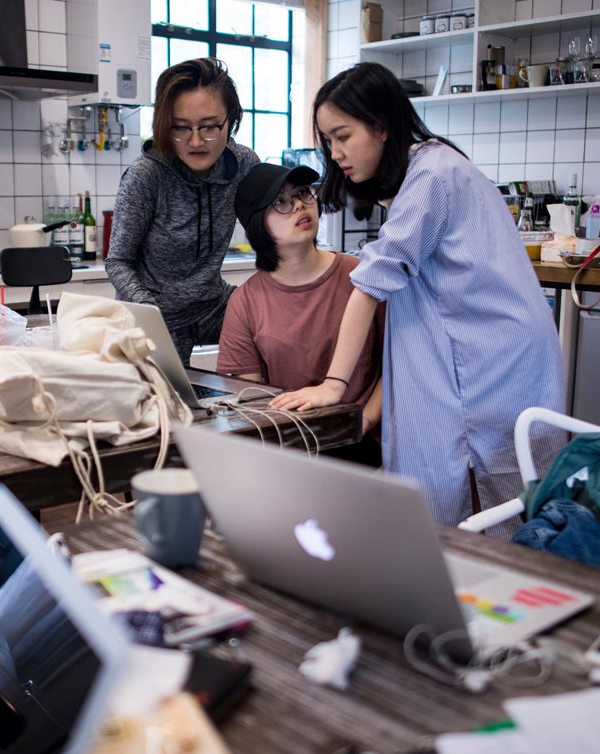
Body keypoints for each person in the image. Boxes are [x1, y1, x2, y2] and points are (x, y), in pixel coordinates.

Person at [271, 63, 564, 532]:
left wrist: (333, 385)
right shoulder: (428, 167)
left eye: (343, 136)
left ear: (381, 126)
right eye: (328, 140)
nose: (336, 152)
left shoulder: (432, 175)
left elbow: (369, 285)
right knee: (480, 494)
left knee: (504, 502)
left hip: (492, 358)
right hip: (487, 349)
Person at [219, 163, 384, 466]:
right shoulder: (245, 301)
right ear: (258, 224)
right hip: (295, 445)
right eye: (281, 202)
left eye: (303, 193)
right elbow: (250, 399)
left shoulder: (363, 276)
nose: (299, 205)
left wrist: (366, 420)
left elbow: (398, 363)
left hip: (367, 440)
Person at [106, 57, 260, 365]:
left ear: (231, 120)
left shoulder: (243, 164)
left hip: (212, 306)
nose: (195, 141)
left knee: (275, 321)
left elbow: (270, 234)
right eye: (180, 128)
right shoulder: (147, 175)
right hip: (153, 312)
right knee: (167, 393)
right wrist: (148, 313)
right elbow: (118, 261)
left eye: (209, 126)